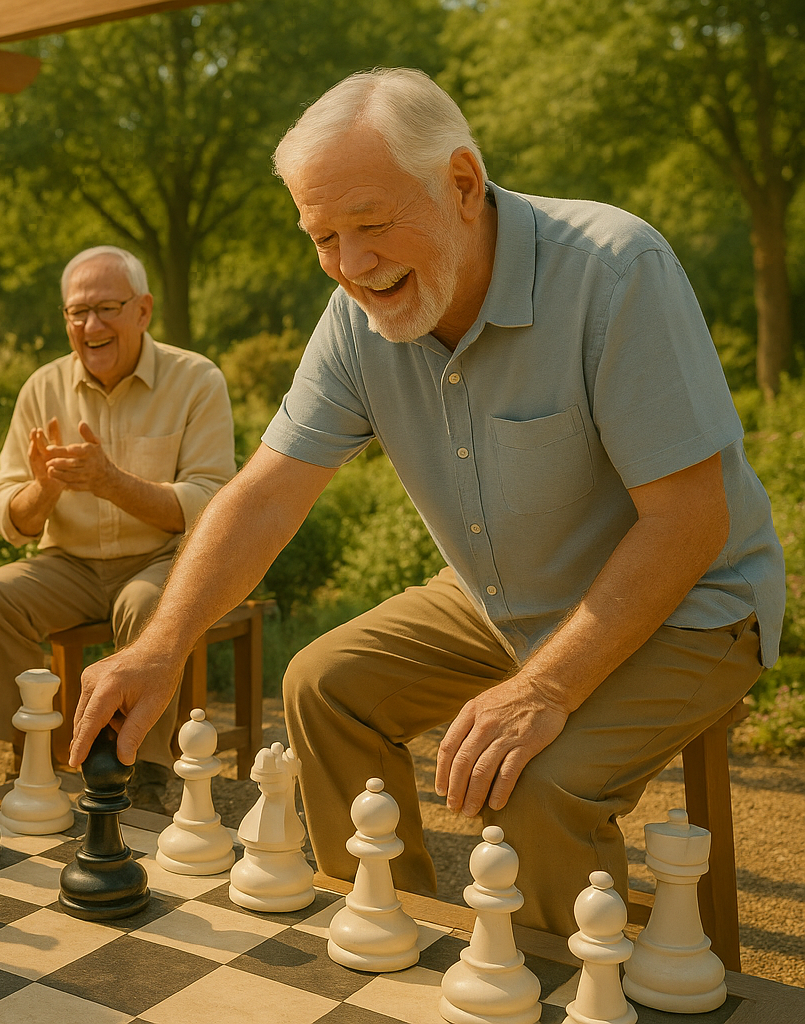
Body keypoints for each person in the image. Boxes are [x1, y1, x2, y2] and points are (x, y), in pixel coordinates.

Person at [68, 69, 785, 936]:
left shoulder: (613, 269)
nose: (351, 266)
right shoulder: (352, 319)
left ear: (462, 183)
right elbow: (263, 495)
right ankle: (392, 937)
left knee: (536, 786)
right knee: (322, 687)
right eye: (322, 236)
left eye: (371, 225)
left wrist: (544, 687)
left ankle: (554, 990)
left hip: (691, 603)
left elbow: (689, 520)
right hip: (503, 598)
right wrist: (161, 647)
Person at [0, 245, 237, 812]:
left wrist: (111, 482)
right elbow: (8, 513)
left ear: (143, 309)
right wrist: (46, 488)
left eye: (106, 308)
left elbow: (212, 503)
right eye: (76, 313)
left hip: (162, 558)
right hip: (69, 564)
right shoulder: (41, 387)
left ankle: (146, 767)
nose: (90, 325)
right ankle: (36, 750)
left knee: (149, 604)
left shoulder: (196, 379)